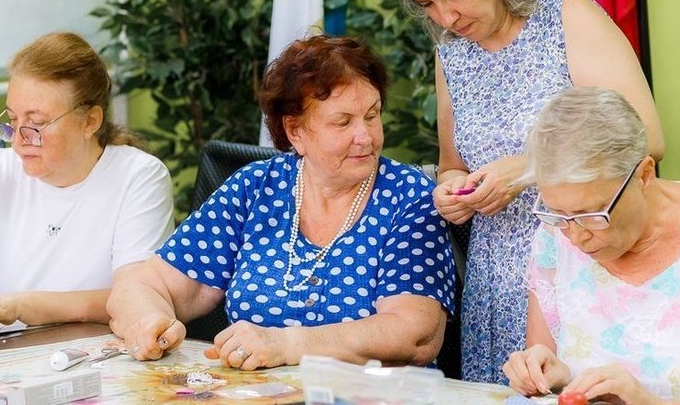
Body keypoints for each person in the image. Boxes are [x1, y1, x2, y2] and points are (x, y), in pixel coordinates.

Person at [382, 0, 665, 382]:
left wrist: (528, 168)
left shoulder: (566, 17)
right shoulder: (452, 54)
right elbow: (454, 161)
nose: (446, 17)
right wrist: (453, 191)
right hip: (496, 281)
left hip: (586, 259)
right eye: (428, 4)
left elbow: (645, 140)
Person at [106, 34, 456, 370]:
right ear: (295, 131)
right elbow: (143, 285)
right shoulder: (256, 188)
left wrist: (288, 344)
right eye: (343, 122)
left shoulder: (410, 197)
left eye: (372, 115)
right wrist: (148, 322)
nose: (365, 136)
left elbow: (414, 333)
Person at [502, 86, 680, 405]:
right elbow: (549, 382)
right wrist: (552, 376)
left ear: (644, 175)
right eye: (558, 213)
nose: (575, 236)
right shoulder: (554, 238)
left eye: (592, 214)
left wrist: (646, 401)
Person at [0, 31, 173, 326]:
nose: (18, 142)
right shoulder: (0, 171)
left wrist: (20, 306)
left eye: (36, 124)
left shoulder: (139, 177)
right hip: (12, 358)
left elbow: (138, 298)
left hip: (100, 358)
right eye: (12, 121)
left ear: (90, 121)